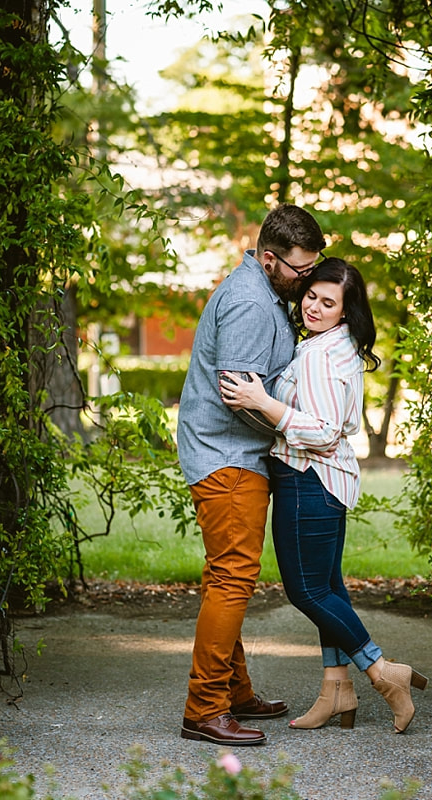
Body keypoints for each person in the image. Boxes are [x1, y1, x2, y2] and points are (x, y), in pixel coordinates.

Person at [220, 258, 427, 734]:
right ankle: (336, 691)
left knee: (306, 590)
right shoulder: (335, 346)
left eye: (328, 302)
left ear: (345, 310)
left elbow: (325, 430)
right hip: (327, 481)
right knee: (329, 587)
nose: (314, 306)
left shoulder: (318, 355)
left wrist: (263, 403)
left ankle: (380, 671)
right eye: (312, 294)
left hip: (306, 478)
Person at [177, 204, 327, 746]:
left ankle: (234, 691)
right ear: (269, 259)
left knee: (226, 575)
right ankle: (205, 707)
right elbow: (238, 395)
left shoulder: (264, 293)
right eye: (300, 270)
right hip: (228, 457)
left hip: (233, 454)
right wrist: (290, 428)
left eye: (315, 267)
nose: (308, 279)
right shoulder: (248, 302)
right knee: (234, 577)